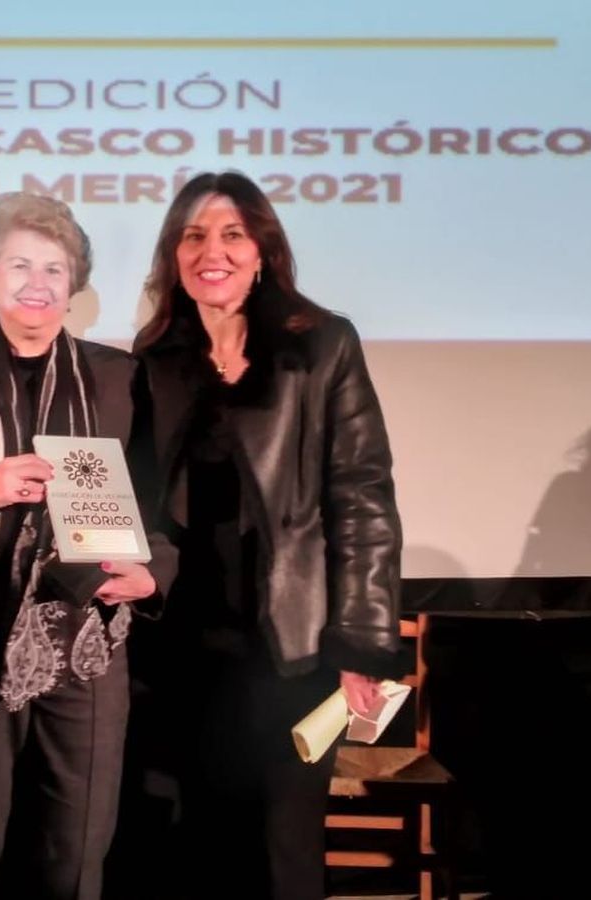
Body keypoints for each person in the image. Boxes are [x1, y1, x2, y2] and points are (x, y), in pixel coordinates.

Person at [0, 193, 176, 900]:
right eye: (18, 265)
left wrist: (152, 573)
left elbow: (164, 507)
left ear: (75, 285)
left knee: (76, 849)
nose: (37, 283)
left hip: (88, 641)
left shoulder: (122, 380)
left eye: (55, 267)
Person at [128, 171, 404, 900]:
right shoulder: (153, 358)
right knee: (195, 853)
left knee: (283, 854)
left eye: (231, 234)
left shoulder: (321, 345)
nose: (210, 251)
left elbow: (364, 498)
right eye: (192, 236)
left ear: (262, 249)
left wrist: (362, 644)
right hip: (180, 653)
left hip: (296, 649)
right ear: (172, 254)